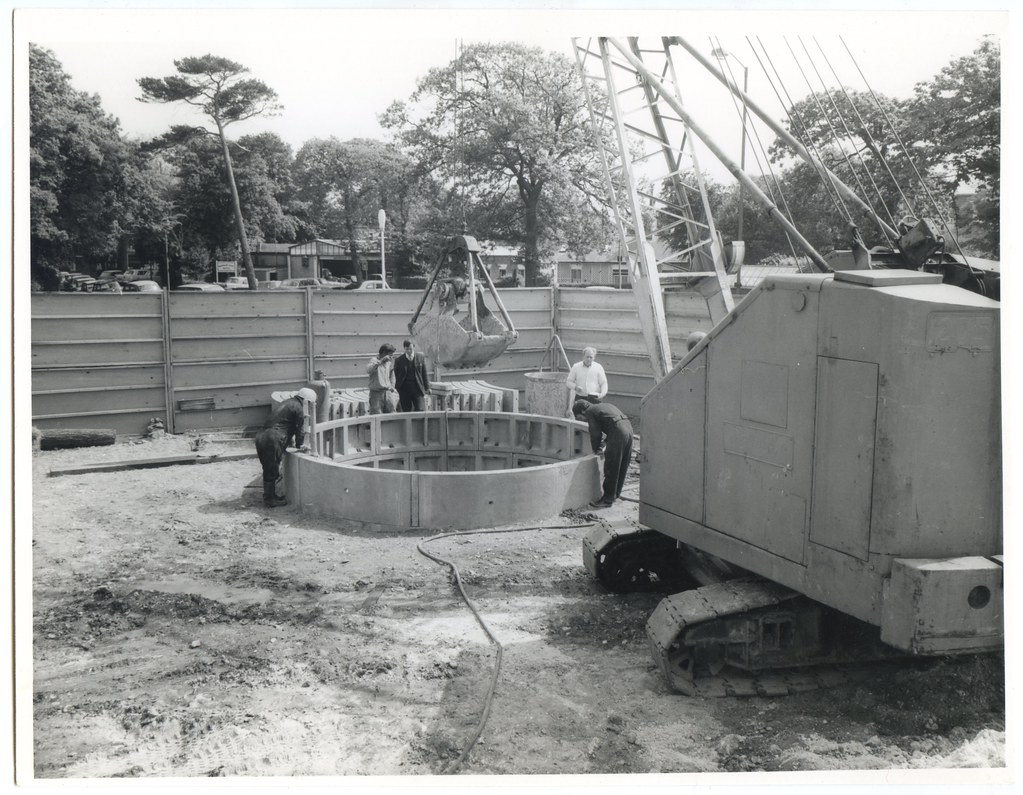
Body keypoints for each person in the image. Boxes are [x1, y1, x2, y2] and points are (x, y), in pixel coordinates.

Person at [254, 387, 316, 508]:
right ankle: (269, 499)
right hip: (273, 437)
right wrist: (300, 445)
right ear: (306, 401)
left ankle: (271, 495)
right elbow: (300, 429)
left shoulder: (287, 403)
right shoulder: (299, 408)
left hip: (261, 435)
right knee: (271, 469)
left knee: (268, 467)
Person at [574, 399, 634, 508]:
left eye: (579, 417)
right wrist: (604, 444)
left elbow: (595, 433)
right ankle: (615, 495)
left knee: (611, 465)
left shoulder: (590, 411)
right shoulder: (603, 405)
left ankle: (607, 500)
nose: (583, 420)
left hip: (618, 431)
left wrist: (596, 449)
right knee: (622, 464)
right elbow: (612, 424)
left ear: (582, 411)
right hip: (629, 429)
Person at [394, 338, 430, 411]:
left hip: (417, 387)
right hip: (404, 389)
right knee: (406, 411)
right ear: (404, 348)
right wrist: (398, 388)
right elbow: (396, 375)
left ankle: (419, 422)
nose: (409, 351)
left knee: (420, 409)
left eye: (411, 349)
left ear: (414, 347)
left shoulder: (420, 357)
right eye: (407, 349)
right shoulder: (399, 360)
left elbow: (424, 373)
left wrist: (427, 387)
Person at [366, 343, 398, 414]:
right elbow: (368, 370)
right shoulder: (374, 360)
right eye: (390, 355)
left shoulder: (389, 362)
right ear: (384, 353)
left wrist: (392, 386)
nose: (391, 357)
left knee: (392, 413)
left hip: (388, 393)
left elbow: (392, 374)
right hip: (376, 394)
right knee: (377, 415)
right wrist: (381, 361)